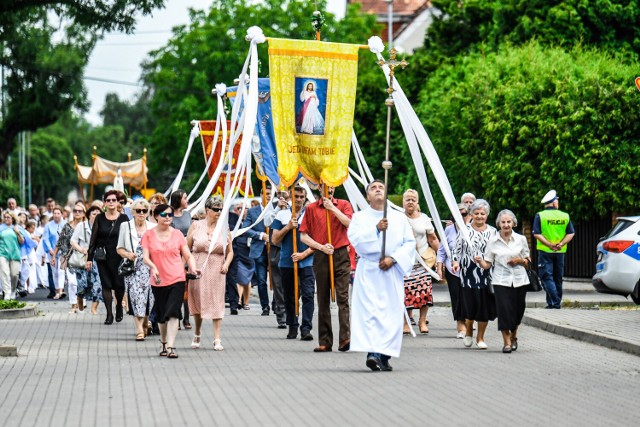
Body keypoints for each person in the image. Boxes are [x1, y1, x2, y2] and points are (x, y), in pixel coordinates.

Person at [348, 180, 416, 371]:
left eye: (381, 187)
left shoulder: (399, 218)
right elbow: (356, 242)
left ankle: (384, 355)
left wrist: (393, 258)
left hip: (391, 272)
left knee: (390, 313)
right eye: (373, 188)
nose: (378, 190)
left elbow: (409, 243)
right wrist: (376, 229)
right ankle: (373, 353)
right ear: (367, 195)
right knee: (371, 312)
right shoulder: (359, 218)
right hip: (369, 271)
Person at [142, 203, 200, 359]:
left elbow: (187, 254)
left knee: (173, 312)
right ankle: (163, 341)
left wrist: (193, 268)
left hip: (177, 278)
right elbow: (145, 257)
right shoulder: (148, 235)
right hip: (158, 280)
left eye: (170, 215)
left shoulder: (178, 234)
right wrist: (153, 267)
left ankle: (171, 346)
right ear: (156, 216)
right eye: (164, 215)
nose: (168, 217)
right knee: (161, 315)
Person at [300, 184, 353, 353]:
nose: (329, 191)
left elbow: (349, 223)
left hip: (340, 255)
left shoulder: (344, 205)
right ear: (319, 189)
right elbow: (303, 236)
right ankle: (325, 341)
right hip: (322, 255)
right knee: (322, 298)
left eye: (331, 188)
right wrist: (320, 246)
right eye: (325, 188)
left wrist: (333, 209)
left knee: (343, 297)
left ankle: (345, 338)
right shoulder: (311, 208)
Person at [475, 210, 530, 353]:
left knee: (518, 311)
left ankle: (514, 335)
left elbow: (528, 261)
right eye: (503, 222)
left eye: (508, 222)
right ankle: (506, 342)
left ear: (513, 223)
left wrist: (519, 260)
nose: (506, 225)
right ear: (498, 224)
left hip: (519, 280)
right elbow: (488, 264)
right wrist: (480, 262)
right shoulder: (492, 241)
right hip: (500, 280)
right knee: (504, 311)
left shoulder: (521, 239)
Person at [186, 196, 233, 351]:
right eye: (216, 209)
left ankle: (217, 338)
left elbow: (230, 251)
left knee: (216, 301)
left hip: (217, 268)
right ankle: (197, 333)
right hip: (198, 266)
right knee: (198, 300)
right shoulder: (195, 225)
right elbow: (186, 249)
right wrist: (184, 268)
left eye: (221, 209)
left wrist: (226, 264)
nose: (219, 212)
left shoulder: (224, 228)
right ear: (207, 210)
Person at [271, 186, 315, 341]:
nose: (298, 199)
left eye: (301, 197)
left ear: (305, 198)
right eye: (296, 196)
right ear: (291, 196)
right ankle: (292, 325)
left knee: (308, 295)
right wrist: (288, 227)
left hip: (307, 262)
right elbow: (274, 239)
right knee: (290, 296)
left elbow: (318, 240)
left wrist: (304, 254)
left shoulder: (311, 214)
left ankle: (306, 328)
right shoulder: (282, 215)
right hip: (287, 262)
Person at [452, 199, 497, 350]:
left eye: (482, 214)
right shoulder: (465, 231)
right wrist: (455, 262)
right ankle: (469, 330)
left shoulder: (492, 232)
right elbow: (456, 250)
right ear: (471, 214)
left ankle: (480, 338)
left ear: (487, 215)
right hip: (468, 275)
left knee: (484, 308)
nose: (479, 216)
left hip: (486, 275)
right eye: (476, 213)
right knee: (470, 308)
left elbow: (497, 252)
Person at [87, 190, 129, 325]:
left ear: (118, 203)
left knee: (119, 285)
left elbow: (128, 238)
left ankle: (118, 307)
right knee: (106, 285)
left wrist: (130, 254)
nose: (111, 202)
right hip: (103, 257)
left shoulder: (124, 218)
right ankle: (109, 314)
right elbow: (93, 238)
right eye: (108, 200)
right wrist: (89, 258)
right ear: (105, 203)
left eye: (113, 200)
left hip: (119, 256)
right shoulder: (99, 218)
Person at [117, 199, 156, 340]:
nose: (141, 213)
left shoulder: (153, 227)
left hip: (150, 268)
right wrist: (128, 254)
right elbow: (119, 248)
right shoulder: (125, 226)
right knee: (135, 298)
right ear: (132, 212)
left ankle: (146, 321)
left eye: (144, 211)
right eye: (138, 210)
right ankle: (139, 329)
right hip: (133, 268)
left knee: (149, 299)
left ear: (148, 212)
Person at [402, 189, 439, 334]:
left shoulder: (424, 218)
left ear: (417, 202)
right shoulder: (398, 217)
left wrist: (443, 257)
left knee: (424, 292)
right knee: (405, 292)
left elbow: (433, 239)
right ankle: (405, 323)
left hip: (423, 261)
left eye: (413, 199)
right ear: (403, 202)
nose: (410, 202)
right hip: (405, 260)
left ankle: (422, 321)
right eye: (407, 199)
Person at [533, 190, 575, 309]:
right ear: (553, 202)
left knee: (546, 277)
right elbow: (571, 233)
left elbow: (537, 234)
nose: (558, 202)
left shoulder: (540, 215)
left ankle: (555, 301)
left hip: (545, 251)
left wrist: (549, 245)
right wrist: (561, 244)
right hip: (560, 251)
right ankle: (553, 303)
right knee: (557, 277)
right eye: (557, 200)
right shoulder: (565, 216)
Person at [436, 203, 472, 338]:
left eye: (464, 214)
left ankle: (469, 321)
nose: (461, 217)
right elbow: (441, 250)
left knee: (468, 297)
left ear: (469, 215)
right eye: (458, 215)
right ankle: (460, 325)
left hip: (469, 270)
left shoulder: (472, 229)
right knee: (456, 297)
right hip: (453, 270)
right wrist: (439, 268)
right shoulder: (449, 230)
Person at [241, 185, 274, 316]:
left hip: (275, 250)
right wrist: (260, 235)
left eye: (270, 194)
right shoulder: (252, 211)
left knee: (276, 279)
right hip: (259, 249)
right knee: (261, 280)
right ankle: (265, 306)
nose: (268, 196)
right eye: (266, 194)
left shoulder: (277, 210)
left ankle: (277, 304)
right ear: (261, 195)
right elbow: (245, 229)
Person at [52, 201, 84, 308]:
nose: (77, 213)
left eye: (80, 211)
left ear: (84, 213)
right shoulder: (67, 226)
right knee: (71, 282)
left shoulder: (86, 226)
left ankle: (81, 302)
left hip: (83, 257)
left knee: (81, 282)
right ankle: (73, 304)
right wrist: (53, 256)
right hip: (69, 258)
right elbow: (60, 242)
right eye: (75, 211)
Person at [71, 205, 102, 315]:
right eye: (94, 214)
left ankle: (94, 308)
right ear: (88, 215)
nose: (96, 216)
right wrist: (82, 249)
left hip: (97, 260)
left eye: (98, 214)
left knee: (97, 285)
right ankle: (80, 300)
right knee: (82, 286)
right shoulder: (81, 226)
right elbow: (73, 241)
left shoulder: (102, 226)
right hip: (83, 260)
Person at [264, 190, 289, 329]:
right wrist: (278, 207)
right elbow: (267, 221)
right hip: (277, 248)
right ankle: (281, 316)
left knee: (292, 284)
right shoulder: (272, 205)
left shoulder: (295, 205)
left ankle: (290, 310)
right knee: (278, 284)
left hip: (291, 248)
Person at [169, 189, 192, 329]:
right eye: (185, 197)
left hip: (187, 252)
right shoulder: (169, 215)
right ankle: (176, 317)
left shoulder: (188, 215)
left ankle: (187, 318)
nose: (187, 200)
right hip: (174, 254)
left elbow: (191, 233)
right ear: (178, 200)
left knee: (186, 287)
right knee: (175, 287)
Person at [42, 206, 66, 299]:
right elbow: (45, 238)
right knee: (55, 272)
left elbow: (67, 238)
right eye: (55, 213)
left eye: (58, 213)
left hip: (62, 252)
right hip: (51, 253)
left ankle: (60, 291)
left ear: (62, 214)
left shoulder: (65, 224)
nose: (56, 215)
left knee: (61, 271)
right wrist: (50, 250)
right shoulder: (48, 225)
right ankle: (56, 291)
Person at [0, 212, 25, 300]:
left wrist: (18, 232)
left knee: (14, 274)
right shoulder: (1, 228)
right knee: (4, 272)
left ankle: (13, 290)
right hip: (2, 253)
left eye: (8, 217)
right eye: (5, 217)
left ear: (13, 219)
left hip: (15, 254)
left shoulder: (17, 228)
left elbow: (22, 242)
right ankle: (7, 292)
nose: (6, 219)